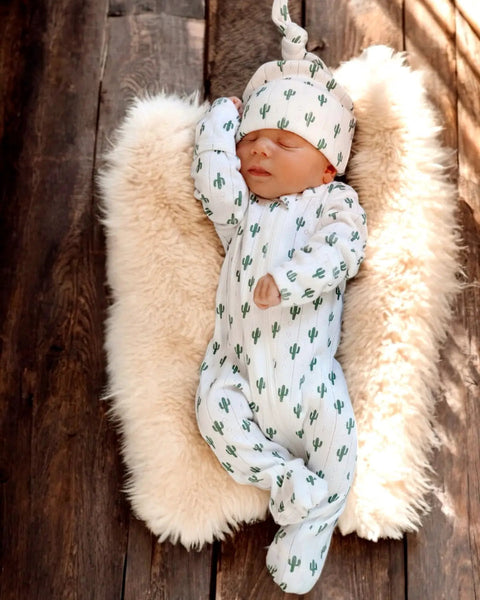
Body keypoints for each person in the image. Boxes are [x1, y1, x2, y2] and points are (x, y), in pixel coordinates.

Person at [191, 0, 367, 593]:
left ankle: (308, 532)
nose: (261, 151)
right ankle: (284, 479)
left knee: (341, 448)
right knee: (212, 413)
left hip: (311, 380)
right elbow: (213, 178)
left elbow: (342, 251)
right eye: (253, 140)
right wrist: (220, 120)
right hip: (239, 374)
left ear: (327, 168)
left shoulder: (332, 204)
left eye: (285, 142)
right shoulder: (243, 214)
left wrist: (289, 279)